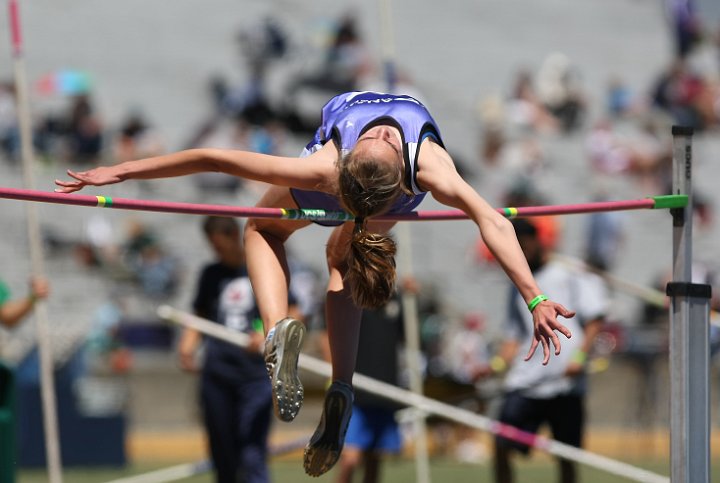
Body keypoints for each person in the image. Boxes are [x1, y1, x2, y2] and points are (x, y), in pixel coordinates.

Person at [54, 90, 575, 476]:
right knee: (341, 261)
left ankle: (278, 326)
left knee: (261, 230)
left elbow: (214, 157)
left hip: (340, 192)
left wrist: (123, 171)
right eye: (377, 136)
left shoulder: (328, 164)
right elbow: (492, 219)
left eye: (379, 137)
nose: (381, 132)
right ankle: (342, 386)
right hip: (382, 202)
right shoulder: (428, 166)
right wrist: (536, 297)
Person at [481, 219, 606, 483]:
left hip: (565, 383)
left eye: (524, 248)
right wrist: (494, 367)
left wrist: (580, 357)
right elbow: (513, 338)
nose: (521, 255)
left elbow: (595, 319)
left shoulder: (569, 273)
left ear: (537, 243)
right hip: (528, 381)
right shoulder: (517, 284)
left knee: (566, 455)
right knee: (501, 444)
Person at [178, 216, 293, 483]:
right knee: (222, 451)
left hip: (255, 376)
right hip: (218, 373)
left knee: (252, 450)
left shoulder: (261, 268)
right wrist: (187, 346)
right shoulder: (211, 274)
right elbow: (200, 314)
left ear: (233, 237)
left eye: (219, 245)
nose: (216, 252)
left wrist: (266, 334)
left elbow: (294, 310)